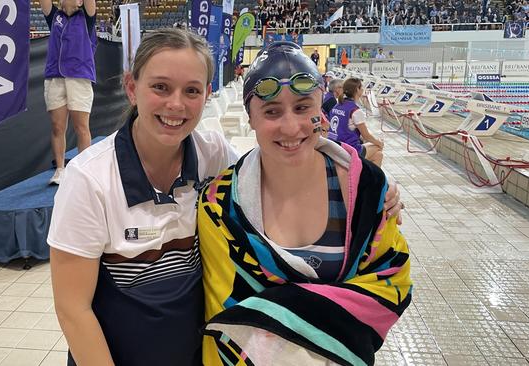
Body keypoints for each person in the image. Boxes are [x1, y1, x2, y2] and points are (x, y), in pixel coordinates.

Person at [48, 29, 403, 366]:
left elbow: (280, 159)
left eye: (191, 90)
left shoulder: (214, 156)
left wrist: (370, 186)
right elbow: (72, 309)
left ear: (207, 93)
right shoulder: (89, 179)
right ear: (131, 87)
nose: (176, 105)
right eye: (160, 87)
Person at [198, 41, 411, 366]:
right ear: (251, 117)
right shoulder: (219, 204)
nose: (290, 127)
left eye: (302, 107)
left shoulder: (367, 190)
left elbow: (392, 277)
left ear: (321, 112)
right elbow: (226, 311)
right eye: (271, 111)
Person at [41, 0, 97, 185]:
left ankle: (84, 171)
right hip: (55, 77)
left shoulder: (87, 17)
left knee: (81, 127)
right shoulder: (54, 17)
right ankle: (60, 170)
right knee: (57, 127)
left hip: (79, 77)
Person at [328, 77, 385, 166]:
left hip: (333, 146)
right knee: (378, 147)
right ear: (357, 90)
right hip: (348, 151)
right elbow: (366, 136)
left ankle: (365, 176)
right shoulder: (355, 111)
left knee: (378, 156)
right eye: (361, 87)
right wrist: (379, 143)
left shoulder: (337, 106)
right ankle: (365, 176)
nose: (363, 89)